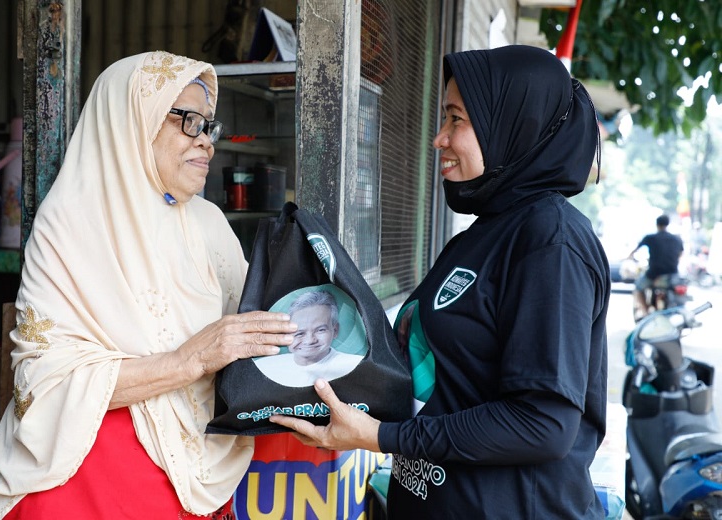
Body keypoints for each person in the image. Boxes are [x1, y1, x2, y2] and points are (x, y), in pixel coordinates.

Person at [270, 45, 610, 519]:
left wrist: (381, 437)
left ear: (510, 124)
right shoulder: (484, 235)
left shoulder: (550, 241)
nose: (438, 139)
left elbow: (543, 422)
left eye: (456, 120)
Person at [0, 51, 297, 519]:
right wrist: (190, 359)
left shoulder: (209, 224)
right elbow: (42, 384)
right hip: (89, 473)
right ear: (130, 124)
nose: (206, 141)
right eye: (188, 121)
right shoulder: (71, 225)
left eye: (209, 126)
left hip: (201, 465)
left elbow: (253, 336)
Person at [254, 290, 363, 387]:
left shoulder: (356, 367)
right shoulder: (264, 368)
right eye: (299, 333)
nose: (310, 340)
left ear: (335, 330)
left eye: (320, 330)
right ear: (286, 333)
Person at [629, 214, 684, 318]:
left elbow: (634, 251)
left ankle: (645, 313)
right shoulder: (677, 239)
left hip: (654, 273)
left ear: (657, 224)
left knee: (638, 288)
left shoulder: (650, 238)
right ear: (668, 224)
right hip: (673, 273)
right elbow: (681, 254)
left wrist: (629, 258)